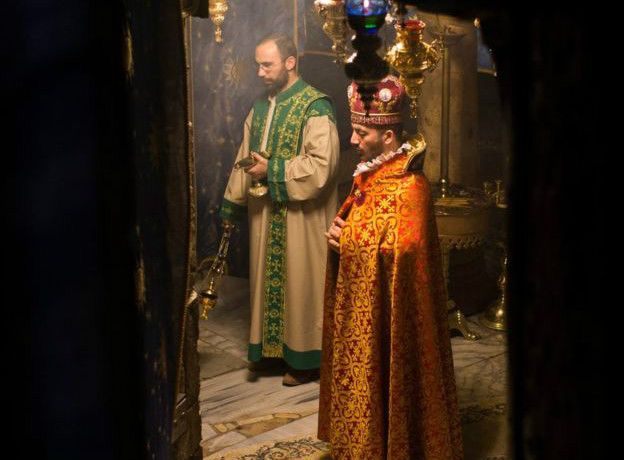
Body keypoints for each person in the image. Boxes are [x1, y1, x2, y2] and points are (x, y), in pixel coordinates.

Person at [318, 75, 464, 459]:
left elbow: (408, 249)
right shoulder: (370, 175)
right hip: (366, 305)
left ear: (387, 136)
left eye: (361, 132)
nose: (352, 139)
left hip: (396, 314)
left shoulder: (410, 186)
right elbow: (359, 225)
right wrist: (339, 236)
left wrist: (350, 238)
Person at [219, 34, 340, 386]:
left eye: (267, 65)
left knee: (302, 284)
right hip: (265, 216)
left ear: (290, 62)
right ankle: (271, 353)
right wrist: (233, 202)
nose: (259, 72)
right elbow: (245, 156)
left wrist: (271, 170)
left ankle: (306, 360)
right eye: (257, 65)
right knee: (267, 283)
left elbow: (322, 167)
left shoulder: (316, 106)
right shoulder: (260, 107)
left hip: (304, 220)